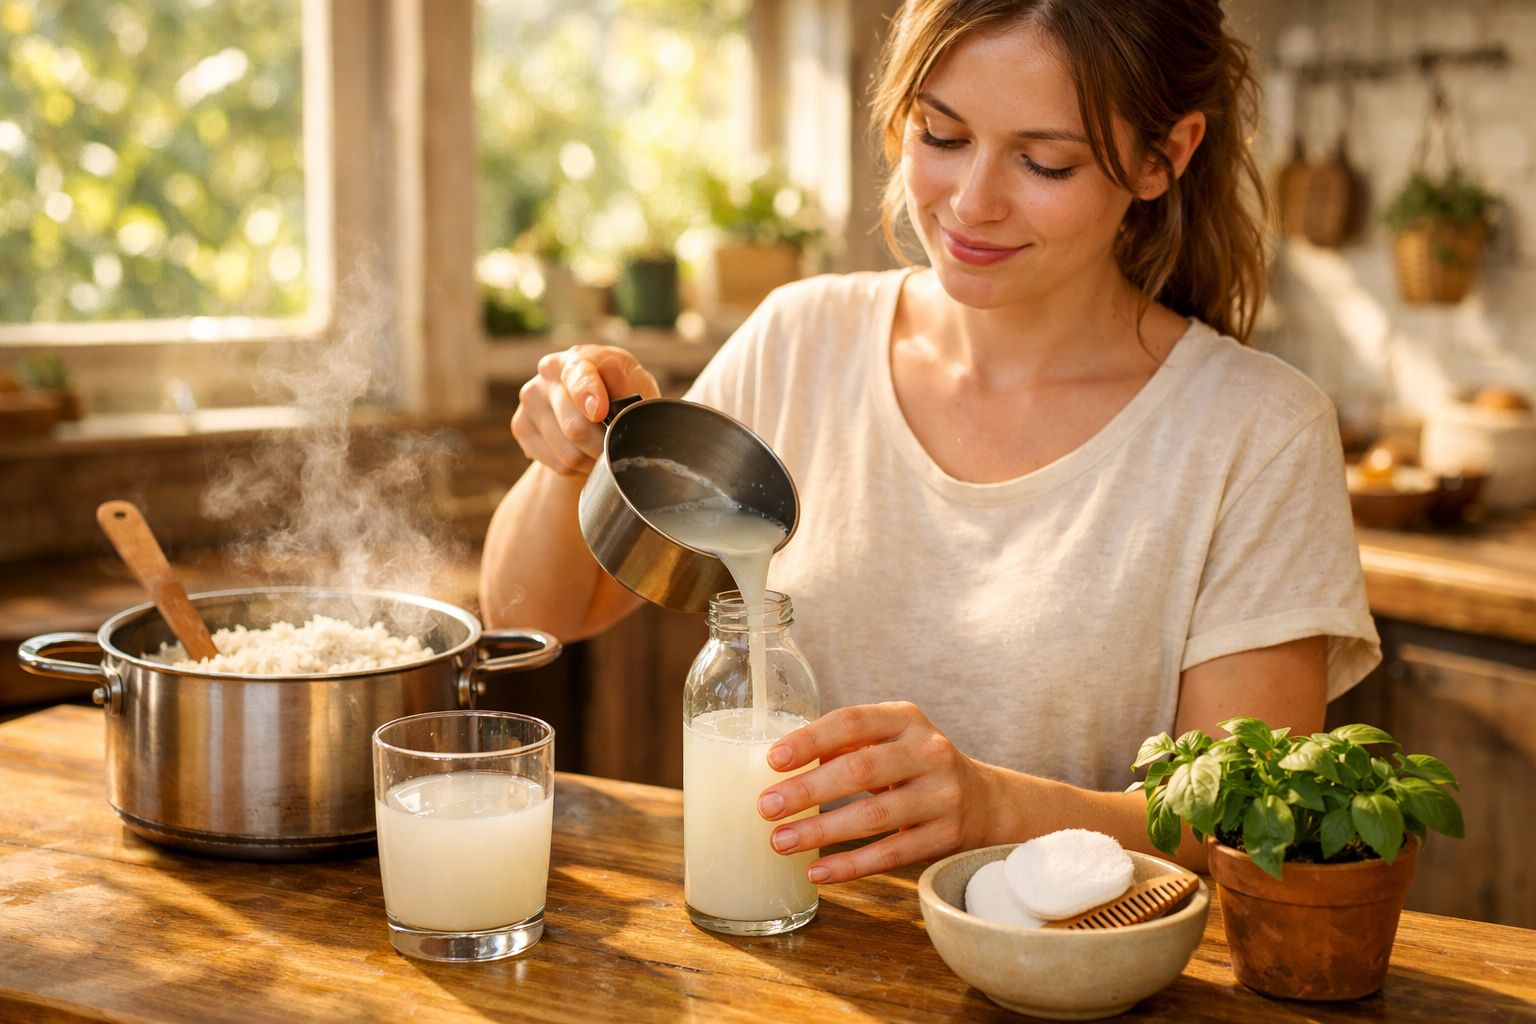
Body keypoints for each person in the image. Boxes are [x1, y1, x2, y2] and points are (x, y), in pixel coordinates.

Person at [480, 0, 1380, 885]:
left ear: (1164, 156)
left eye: (1045, 161)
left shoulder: (1256, 432)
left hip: (1073, 962)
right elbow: (531, 610)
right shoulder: (802, 341)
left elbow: (1249, 824)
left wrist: (996, 811)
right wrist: (572, 455)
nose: (972, 203)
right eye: (941, 136)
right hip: (795, 940)